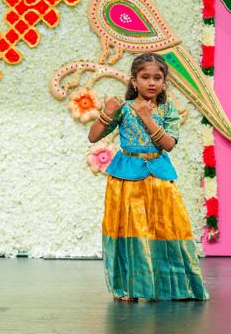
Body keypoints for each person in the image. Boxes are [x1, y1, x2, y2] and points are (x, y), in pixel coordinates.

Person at [87, 53, 209, 301]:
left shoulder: (168, 109)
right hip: (126, 179)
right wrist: (107, 114)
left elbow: (169, 144)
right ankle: (129, 287)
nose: (151, 82)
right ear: (134, 81)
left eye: (157, 78)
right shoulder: (123, 108)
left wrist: (147, 118)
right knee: (129, 230)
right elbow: (93, 136)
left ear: (164, 82)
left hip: (158, 177)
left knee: (166, 228)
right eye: (145, 77)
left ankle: (168, 286)